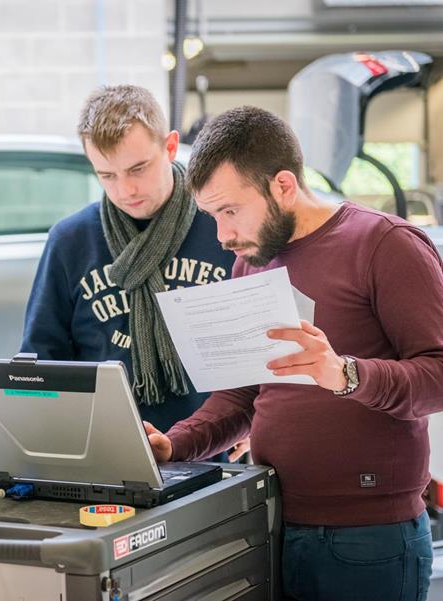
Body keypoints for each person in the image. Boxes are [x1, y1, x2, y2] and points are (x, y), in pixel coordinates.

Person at [144, 105, 443, 601]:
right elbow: (240, 398)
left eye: (230, 211)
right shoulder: (251, 264)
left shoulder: (384, 244)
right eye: (213, 216)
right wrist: (173, 446)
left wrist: (346, 374)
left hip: (369, 539)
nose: (222, 236)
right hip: (275, 520)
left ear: (283, 185)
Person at [20, 85, 240, 457]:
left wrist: (256, 422)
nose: (126, 190)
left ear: (170, 147)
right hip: (104, 453)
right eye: (106, 175)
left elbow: (267, 345)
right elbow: (41, 363)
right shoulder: (71, 241)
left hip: (212, 453)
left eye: (138, 168)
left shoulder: (224, 227)